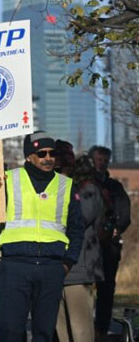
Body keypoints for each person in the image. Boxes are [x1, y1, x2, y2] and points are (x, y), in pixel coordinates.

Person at [0, 132, 84, 342]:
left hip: (51, 266)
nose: (48, 158)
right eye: (41, 153)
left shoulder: (66, 185)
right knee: (10, 331)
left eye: (52, 153)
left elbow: (77, 228)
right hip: (16, 265)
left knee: (44, 333)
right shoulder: (7, 179)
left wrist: (68, 262)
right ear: (29, 156)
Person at [55, 155, 104, 342]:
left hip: (78, 272)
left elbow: (80, 219)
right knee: (62, 334)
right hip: (55, 270)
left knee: (81, 332)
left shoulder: (88, 191)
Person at [89, 145, 131, 340]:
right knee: (83, 290)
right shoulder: (83, 184)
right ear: (92, 160)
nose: (101, 163)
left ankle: (101, 330)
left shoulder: (115, 188)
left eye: (105, 160)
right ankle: (84, 329)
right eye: (98, 160)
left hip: (109, 247)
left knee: (106, 292)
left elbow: (125, 214)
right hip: (88, 246)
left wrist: (117, 228)